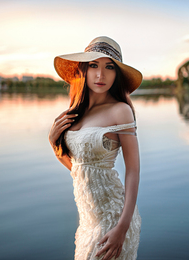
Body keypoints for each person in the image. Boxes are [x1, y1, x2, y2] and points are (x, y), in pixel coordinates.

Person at [48, 36, 142, 260]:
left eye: (109, 67)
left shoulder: (120, 111)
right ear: (84, 70)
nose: (101, 75)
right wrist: (54, 144)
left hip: (114, 219)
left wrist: (122, 228)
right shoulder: (75, 113)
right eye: (94, 66)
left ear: (116, 74)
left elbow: (133, 171)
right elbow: (79, 169)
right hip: (87, 221)